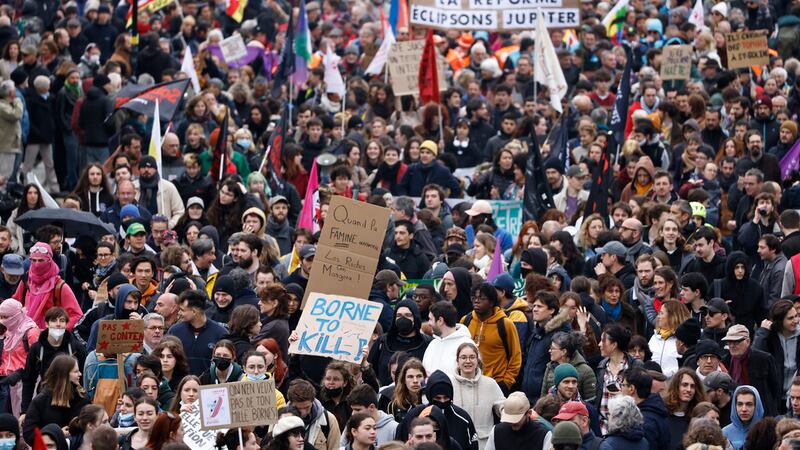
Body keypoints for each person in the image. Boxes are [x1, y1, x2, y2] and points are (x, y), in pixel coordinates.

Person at [21, 306, 86, 413]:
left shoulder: (76, 348)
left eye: (62, 320)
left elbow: (84, 375)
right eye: (54, 320)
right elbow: (29, 380)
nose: (58, 324)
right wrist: (24, 411)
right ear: (46, 324)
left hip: (72, 399)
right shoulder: (36, 349)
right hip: (45, 399)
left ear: (66, 324)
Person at [460, 283, 521, 393]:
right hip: (468, 382)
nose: (476, 301)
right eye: (474, 298)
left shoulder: (505, 324)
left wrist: (506, 382)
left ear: (492, 302)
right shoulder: (466, 320)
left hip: (496, 384)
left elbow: (515, 356)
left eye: (482, 298)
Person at [12, 242, 82, 329]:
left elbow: (77, 316)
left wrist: (57, 331)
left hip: (49, 339)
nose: (37, 264)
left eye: (41, 260)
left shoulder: (59, 286)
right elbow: (14, 305)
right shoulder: (26, 281)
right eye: (34, 260)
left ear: (49, 261)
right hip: (24, 335)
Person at [22, 354, 90, 445]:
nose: (80, 374)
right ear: (64, 375)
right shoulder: (41, 401)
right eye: (76, 371)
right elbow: (29, 434)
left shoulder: (82, 399)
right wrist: (56, 435)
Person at [368, 299, 432, 386]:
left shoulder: (427, 343)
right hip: (386, 396)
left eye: (408, 315)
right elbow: (371, 371)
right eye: (399, 315)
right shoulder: (383, 342)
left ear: (415, 318)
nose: (403, 318)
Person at [721, 324, 781, 416]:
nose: (732, 346)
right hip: (738, 412)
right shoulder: (726, 360)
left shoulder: (763, 359)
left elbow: (775, 388)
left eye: (736, 342)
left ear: (748, 341)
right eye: (729, 342)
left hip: (763, 413)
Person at [166, 290, 227, 375]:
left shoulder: (220, 333)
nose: (179, 313)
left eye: (182, 310)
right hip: (180, 385)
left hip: (208, 386)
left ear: (194, 312)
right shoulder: (174, 331)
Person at [753, 300, 800, 409]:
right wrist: (762, 333)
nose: (796, 321)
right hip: (775, 395)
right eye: (790, 318)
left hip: (796, 395)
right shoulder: (770, 336)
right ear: (780, 320)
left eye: (796, 316)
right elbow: (755, 354)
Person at [285, 379, 341, 450]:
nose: (303, 412)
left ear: (313, 400)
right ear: (291, 403)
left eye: (307, 407)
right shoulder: (279, 419)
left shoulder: (329, 420)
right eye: (298, 408)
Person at [484, 392, 552, 450]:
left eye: (516, 418)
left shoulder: (544, 435)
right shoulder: (496, 431)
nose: (513, 423)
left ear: (529, 413)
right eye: (509, 418)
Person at [423, 301, 474, 377]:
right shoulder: (433, 344)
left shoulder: (467, 345)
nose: (429, 323)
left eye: (430, 319)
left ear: (440, 321)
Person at [648, 300, 691, 377]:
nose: (658, 317)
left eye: (661, 313)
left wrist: (663, 375)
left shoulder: (684, 340)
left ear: (673, 316)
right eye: (659, 313)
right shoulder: (654, 337)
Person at [723, 385, 765, 450]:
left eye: (749, 404)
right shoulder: (724, 433)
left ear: (756, 406)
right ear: (734, 406)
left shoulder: (766, 432)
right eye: (740, 404)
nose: (744, 409)